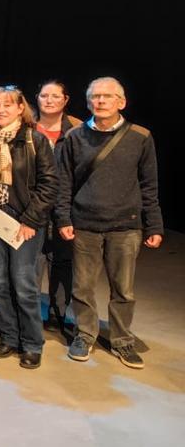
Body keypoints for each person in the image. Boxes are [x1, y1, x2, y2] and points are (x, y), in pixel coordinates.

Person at [55, 77, 163, 369]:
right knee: (83, 287)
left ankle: (122, 340)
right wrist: (63, 217)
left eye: (107, 96)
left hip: (125, 226)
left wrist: (154, 225)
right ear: (88, 102)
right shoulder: (75, 136)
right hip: (84, 224)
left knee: (123, 289)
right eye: (94, 97)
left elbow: (149, 185)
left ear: (121, 102)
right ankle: (85, 334)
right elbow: (64, 181)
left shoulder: (140, 137)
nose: (100, 101)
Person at [0, 86, 58, 369]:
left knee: (24, 284)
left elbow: (49, 184)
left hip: (25, 223)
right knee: (1, 282)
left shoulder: (34, 139)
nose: (1, 110)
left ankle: (31, 343)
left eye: (7, 105)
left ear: (20, 108)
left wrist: (31, 221)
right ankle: (10, 337)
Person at [33, 80, 83, 334]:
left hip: (65, 207)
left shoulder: (78, 130)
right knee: (32, 262)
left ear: (65, 99)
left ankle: (58, 314)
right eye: (44, 96)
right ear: (37, 99)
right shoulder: (26, 126)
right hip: (33, 207)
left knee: (62, 262)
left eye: (55, 96)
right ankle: (28, 315)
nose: (49, 100)